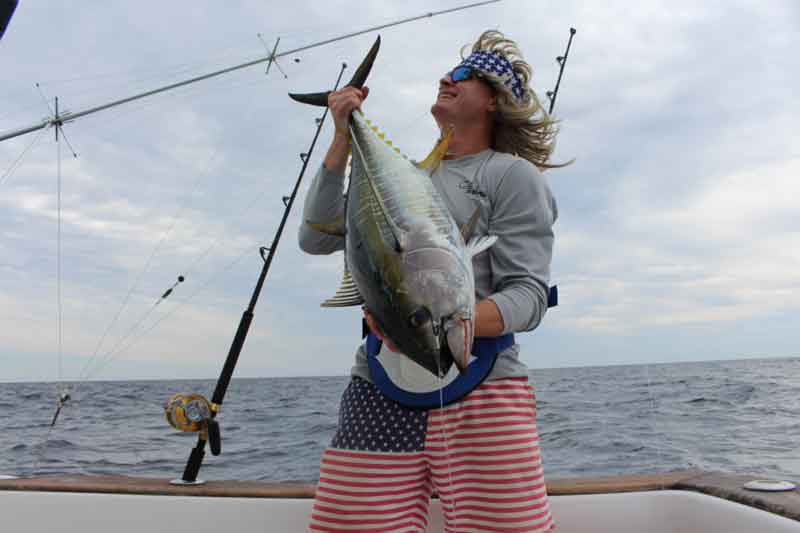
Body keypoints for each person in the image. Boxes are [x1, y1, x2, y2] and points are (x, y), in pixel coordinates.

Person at [299, 30, 559, 533]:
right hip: (377, 385)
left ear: (493, 102)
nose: (448, 78)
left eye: (465, 75)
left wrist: (442, 324)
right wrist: (340, 135)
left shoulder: (511, 176)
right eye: (447, 72)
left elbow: (528, 297)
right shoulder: (394, 181)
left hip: (485, 390)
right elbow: (314, 238)